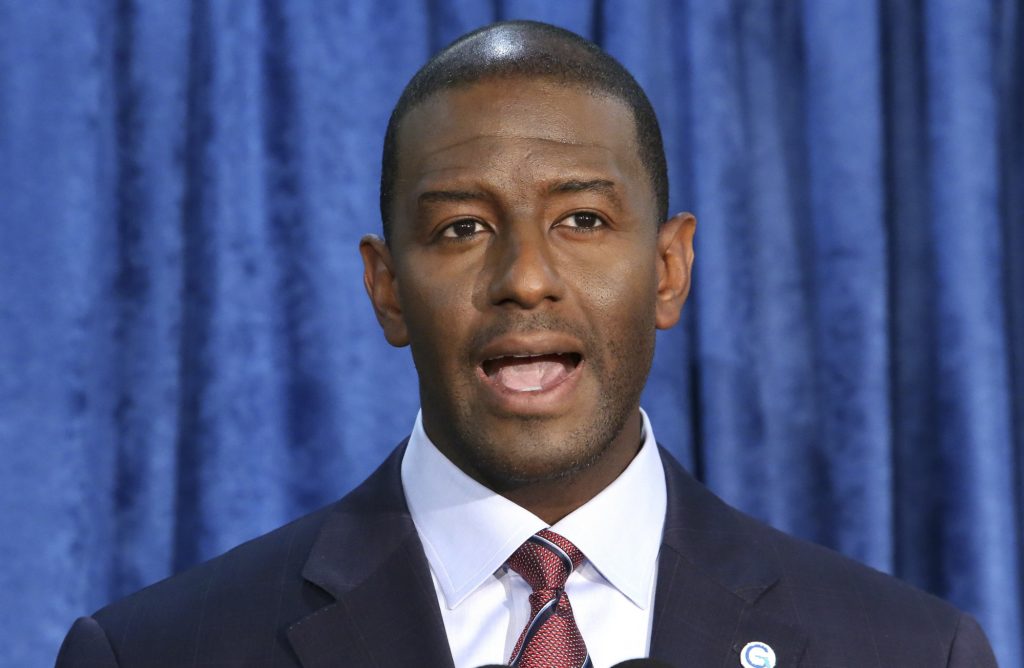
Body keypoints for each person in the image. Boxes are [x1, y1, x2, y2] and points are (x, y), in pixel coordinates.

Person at [57, 20, 997, 668]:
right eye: (462, 228)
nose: (527, 277)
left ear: (668, 269)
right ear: (386, 289)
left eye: (582, 218)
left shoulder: (907, 651)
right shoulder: (157, 652)